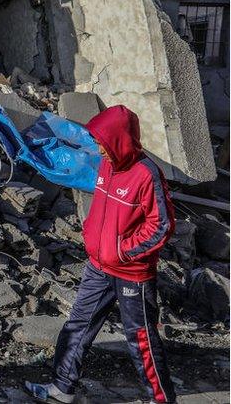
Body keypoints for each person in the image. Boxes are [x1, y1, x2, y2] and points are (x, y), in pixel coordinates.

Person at [25, 105, 177, 403]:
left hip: (131, 273)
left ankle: (161, 400)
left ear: (120, 140)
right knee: (78, 324)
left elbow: (162, 225)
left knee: (141, 339)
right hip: (98, 266)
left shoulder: (147, 175)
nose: (99, 149)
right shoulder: (107, 165)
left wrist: (123, 251)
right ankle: (61, 389)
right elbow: (103, 210)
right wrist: (92, 235)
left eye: (103, 143)